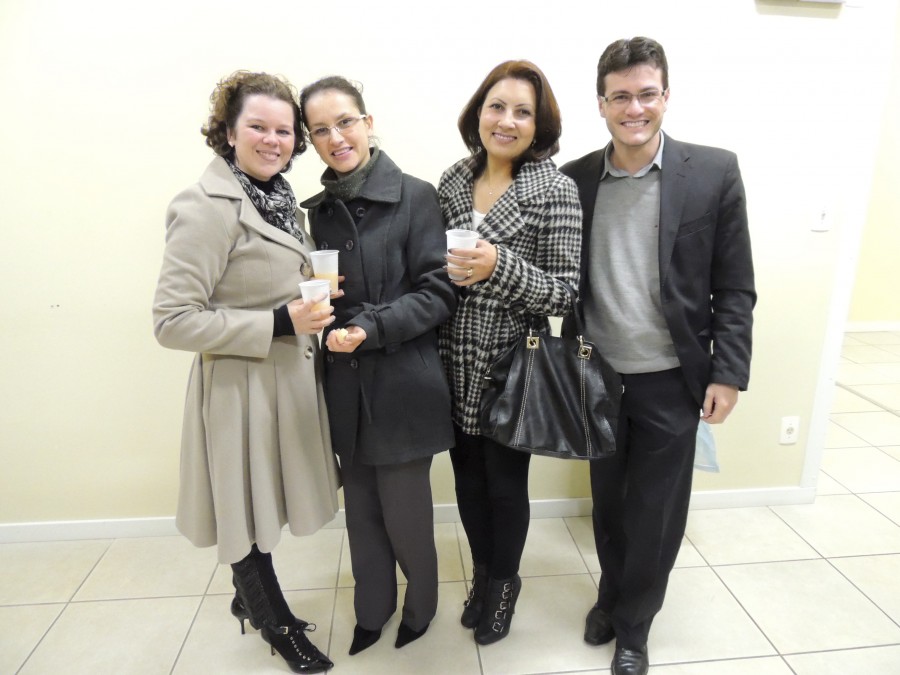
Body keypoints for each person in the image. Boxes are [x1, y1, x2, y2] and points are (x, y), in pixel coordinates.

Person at [560, 37, 756, 675]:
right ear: (601, 104)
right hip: (595, 376)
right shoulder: (574, 179)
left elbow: (734, 285)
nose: (635, 108)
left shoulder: (713, 172)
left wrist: (728, 372)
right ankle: (611, 595)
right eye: (620, 96)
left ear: (666, 96)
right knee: (608, 504)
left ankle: (635, 625)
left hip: (672, 379)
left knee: (656, 512)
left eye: (647, 94)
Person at [153, 71, 339, 674]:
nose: (272, 140)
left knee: (265, 503)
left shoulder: (279, 198)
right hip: (238, 390)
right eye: (257, 126)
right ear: (228, 132)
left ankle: (248, 597)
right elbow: (172, 321)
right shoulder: (203, 206)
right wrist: (281, 322)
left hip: (285, 385)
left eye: (284, 131)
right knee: (243, 511)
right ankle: (273, 620)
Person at [297, 76, 457, 656]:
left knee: (406, 515)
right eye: (320, 129)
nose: (336, 137)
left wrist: (370, 327)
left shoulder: (416, 196)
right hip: (343, 383)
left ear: (367, 123)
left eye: (345, 121)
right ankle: (373, 609)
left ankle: (421, 607)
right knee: (361, 512)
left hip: (402, 382)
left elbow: (439, 292)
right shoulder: (316, 214)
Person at [438, 60, 582, 645]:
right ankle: (482, 575)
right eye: (497, 106)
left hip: (511, 366)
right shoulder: (453, 179)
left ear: (538, 125)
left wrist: (499, 265)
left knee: (504, 485)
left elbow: (565, 291)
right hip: (450, 357)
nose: (507, 121)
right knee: (466, 483)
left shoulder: (555, 189)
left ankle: (503, 587)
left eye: (523, 112)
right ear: (479, 113)